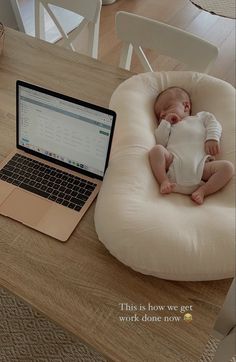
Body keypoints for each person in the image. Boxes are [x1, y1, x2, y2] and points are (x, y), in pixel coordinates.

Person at [149, 86, 234, 204]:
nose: (163, 113)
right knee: (156, 150)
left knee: (228, 168)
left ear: (186, 106)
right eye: (159, 115)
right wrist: (166, 123)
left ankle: (203, 191)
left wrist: (212, 138)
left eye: (167, 108)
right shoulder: (169, 127)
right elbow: (160, 141)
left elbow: (214, 124)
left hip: (201, 167)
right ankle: (164, 180)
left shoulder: (201, 117)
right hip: (174, 164)